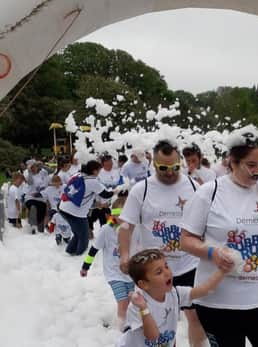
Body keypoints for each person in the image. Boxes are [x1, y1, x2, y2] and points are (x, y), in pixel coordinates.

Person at [180, 125, 258, 347]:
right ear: (232, 162)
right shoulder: (210, 192)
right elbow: (186, 239)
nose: (257, 171)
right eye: (250, 165)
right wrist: (212, 252)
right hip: (219, 302)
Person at [118, 140, 205, 347]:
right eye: (163, 168)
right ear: (153, 164)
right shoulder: (142, 189)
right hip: (153, 270)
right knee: (156, 322)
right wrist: (124, 255)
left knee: (196, 318)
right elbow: (125, 226)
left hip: (188, 266)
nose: (169, 172)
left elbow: (208, 223)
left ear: (180, 163)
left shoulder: (194, 186)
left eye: (174, 167)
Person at [116, 249, 227, 347]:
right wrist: (144, 308)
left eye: (166, 266)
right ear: (144, 284)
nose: (167, 273)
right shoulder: (137, 306)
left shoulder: (175, 294)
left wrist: (222, 271)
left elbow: (203, 290)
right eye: (159, 272)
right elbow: (153, 337)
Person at [81, 193, 133, 329]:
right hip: (114, 274)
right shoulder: (106, 230)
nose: (124, 220)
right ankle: (122, 327)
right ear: (113, 215)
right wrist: (85, 267)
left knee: (131, 301)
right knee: (123, 301)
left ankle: (129, 321)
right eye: (120, 216)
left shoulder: (134, 230)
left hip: (131, 274)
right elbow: (94, 249)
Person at [59, 160, 114, 256]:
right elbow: (106, 194)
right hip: (75, 212)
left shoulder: (77, 175)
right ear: (94, 171)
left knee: (78, 233)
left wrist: (97, 205)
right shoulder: (92, 181)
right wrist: (118, 191)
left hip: (63, 207)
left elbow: (84, 195)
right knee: (84, 236)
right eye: (99, 170)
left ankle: (70, 251)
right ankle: (78, 256)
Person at [23, 160, 51, 234]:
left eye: (34, 166)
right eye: (31, 167)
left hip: (41, 196)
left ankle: (40, 226)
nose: (33, 169)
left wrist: (43, 165)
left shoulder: (43, 172)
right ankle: (33, 226)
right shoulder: (27, 173)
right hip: (30, 196)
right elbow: (30, 182)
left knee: (41, 209)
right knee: (33, 207)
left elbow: (51, 173)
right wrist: (29, 172)